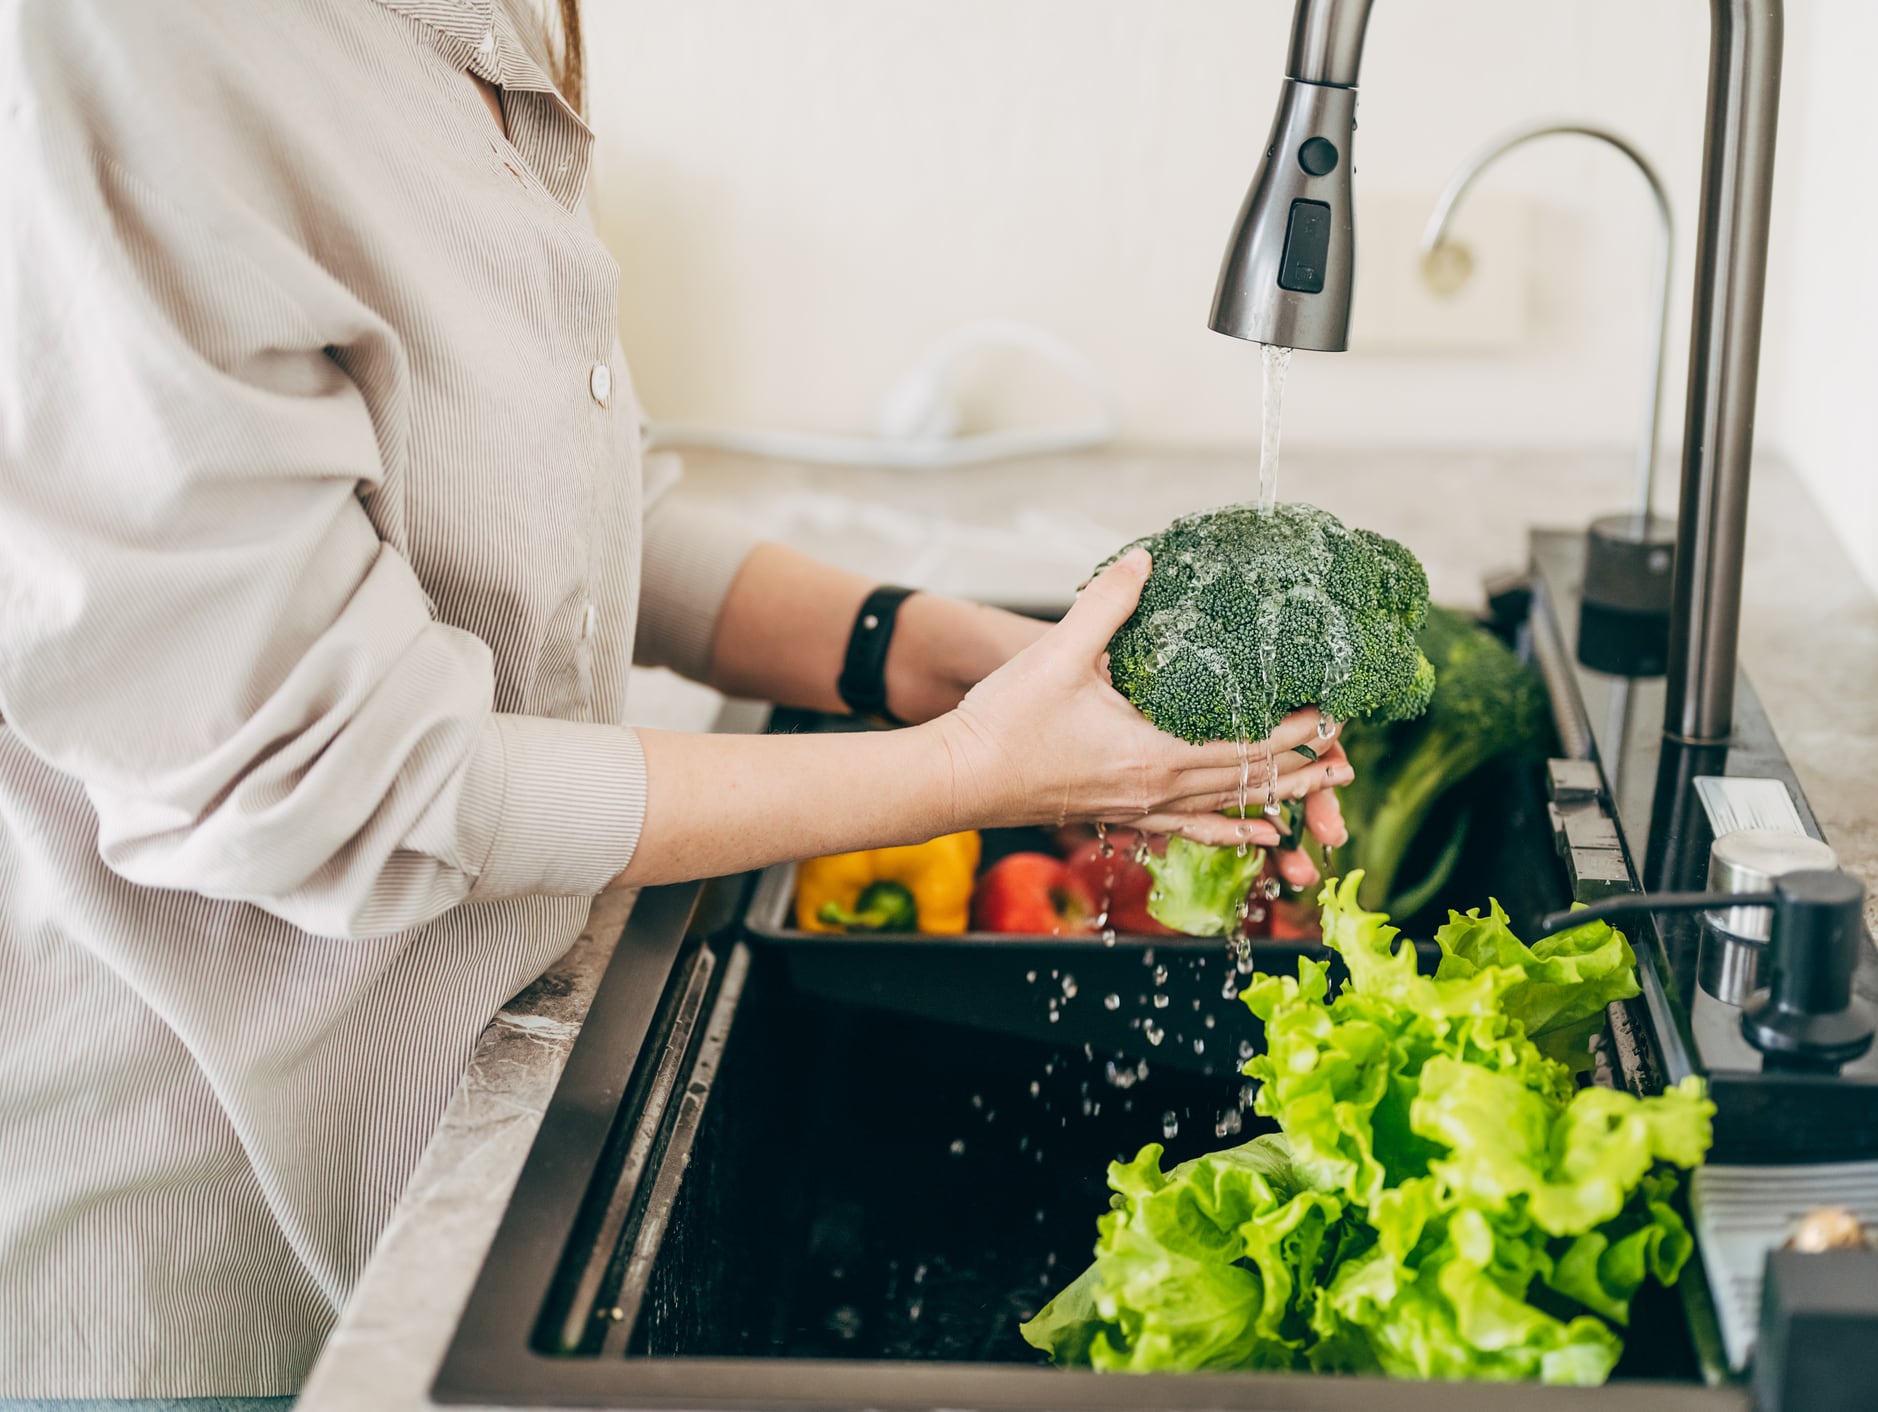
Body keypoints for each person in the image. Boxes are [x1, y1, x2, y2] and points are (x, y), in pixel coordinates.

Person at [0, 2, 1354, 1405]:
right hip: (184, 1260)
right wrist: (968, 769)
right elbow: (323, 784)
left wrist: (934, 651)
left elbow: (538, 521)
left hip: (443, 1120)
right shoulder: (113, 45)